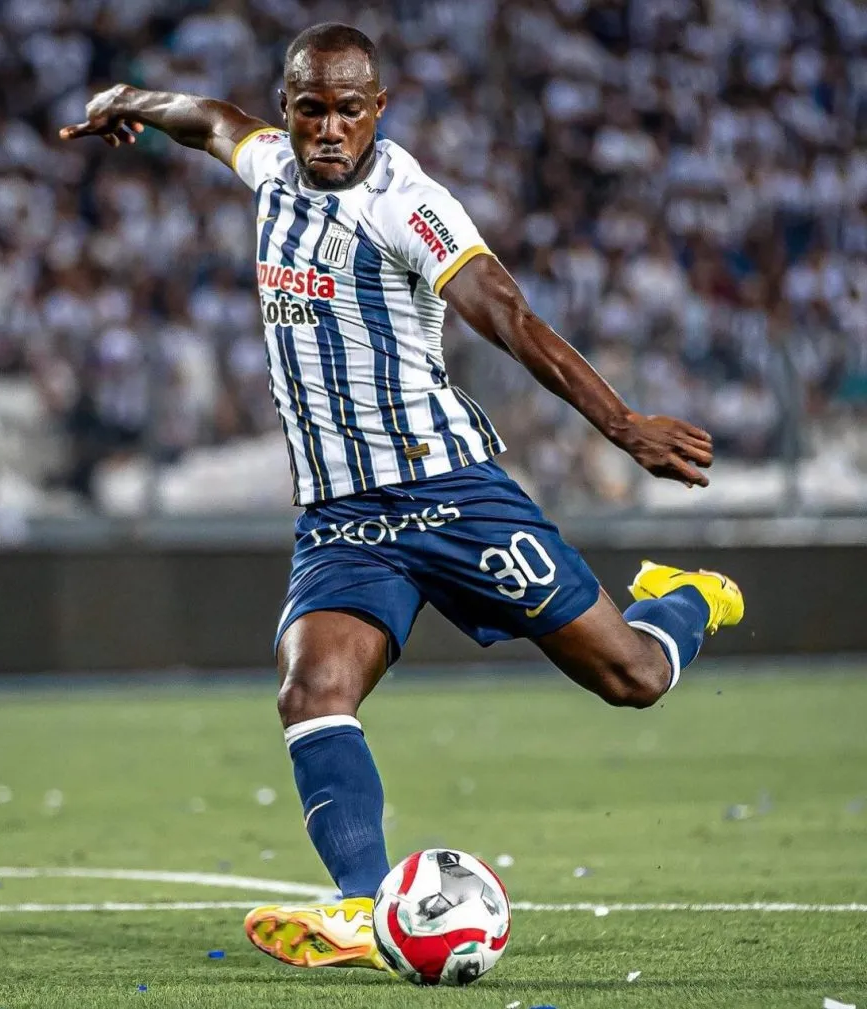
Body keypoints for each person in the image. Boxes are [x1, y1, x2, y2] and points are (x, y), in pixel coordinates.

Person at [61, 22, 745, 974]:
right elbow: (208, 120)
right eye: (311, 108)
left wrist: (623, 424)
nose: (330, 128)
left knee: (633, 677)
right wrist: (126, 103)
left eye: (350, 109)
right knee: (311, 690)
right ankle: (364, 911)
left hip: (453, 494)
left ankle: (688, 595)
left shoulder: (409, 207)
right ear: (290, 106)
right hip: (343, 520)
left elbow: (506, 314)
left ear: (379, 109)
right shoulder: (270, 168)